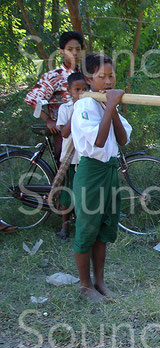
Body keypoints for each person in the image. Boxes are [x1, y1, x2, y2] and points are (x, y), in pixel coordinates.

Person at [71, 53, 131, 302]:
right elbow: (97, 140)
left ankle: (100, 281)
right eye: (101, 77)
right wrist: (109, 106)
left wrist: (113, 108)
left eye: (111, 76)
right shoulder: (84, 105)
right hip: (91, 173)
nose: (107, 81)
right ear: (89, 79)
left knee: (104, 228)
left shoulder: (106, 104)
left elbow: (122, 139)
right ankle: (85, 286)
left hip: (109, 172)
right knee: (87, 229)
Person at [24, 31, 84, 163]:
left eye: (78, 49)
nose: (74, 53)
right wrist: (48, 120)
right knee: (64, 168)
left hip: (81, 129)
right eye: (69, 49)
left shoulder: (84, 75)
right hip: (62, 131)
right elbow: (32, 99)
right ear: (61, 52)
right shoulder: (55, 76)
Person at [54, 72, 88, 239]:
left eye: (84, 89)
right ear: (70, 91)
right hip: (70, 158)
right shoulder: (66, 108)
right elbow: (65, 133)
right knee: (67, 193)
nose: (81, 93)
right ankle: (65, 226)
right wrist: (77, 109)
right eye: (77, 90)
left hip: (85, 158)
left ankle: (83, 226)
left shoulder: (91, 106)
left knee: (83, 194)